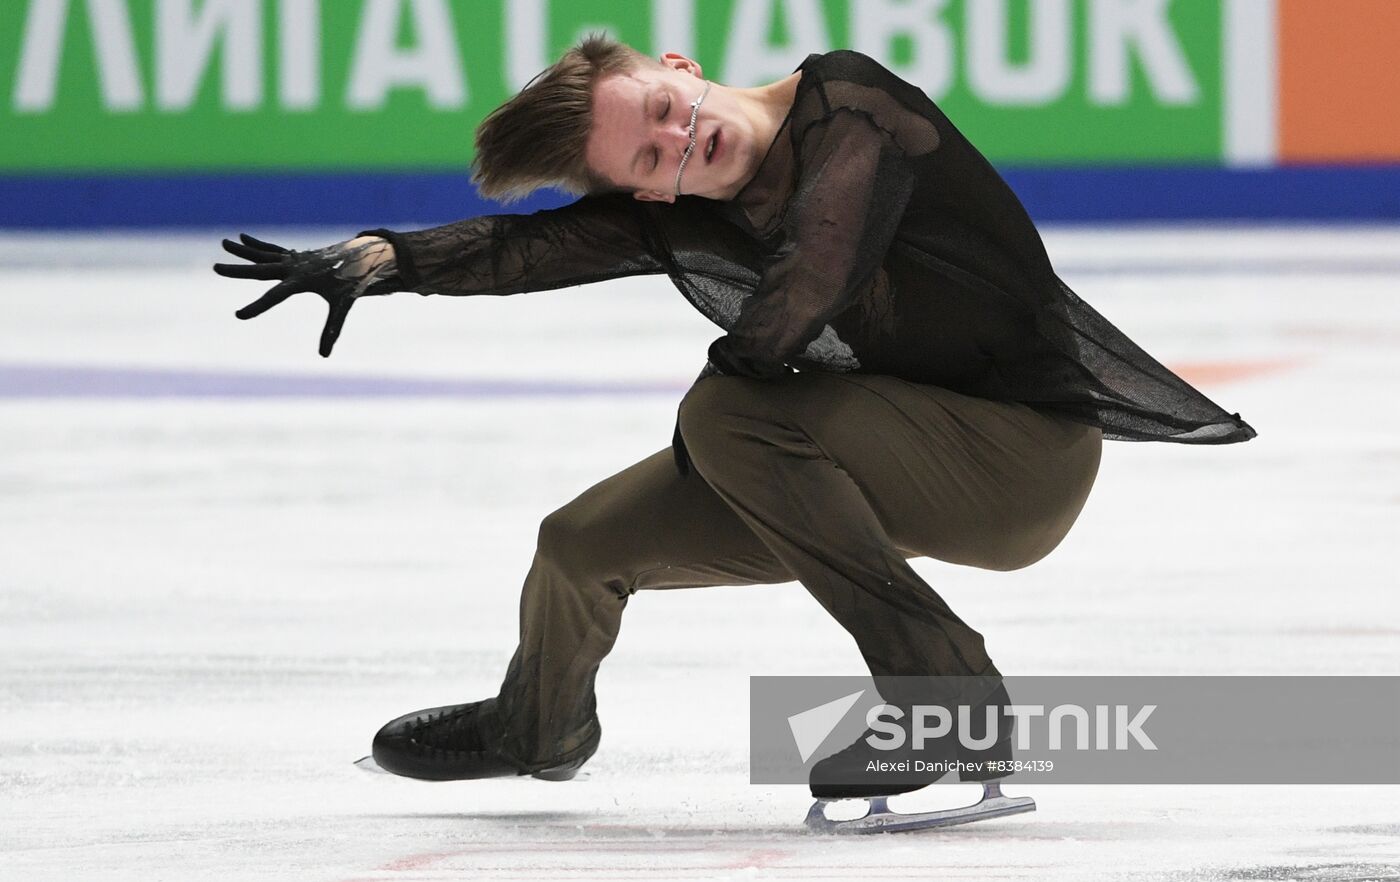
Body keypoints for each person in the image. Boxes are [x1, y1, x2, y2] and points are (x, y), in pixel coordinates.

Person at [213, 35, 1255, 809]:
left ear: (680, 62)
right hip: (886, 447)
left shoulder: (847, 104)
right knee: (578, 545)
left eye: (666, 107)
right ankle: (538, 722)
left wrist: (706, 451)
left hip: (1019, 458)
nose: (681, 140)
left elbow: (808, 279)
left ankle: (944, 698)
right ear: (644, 195)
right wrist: (387, 257)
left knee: (728, 412)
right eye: (650, 161)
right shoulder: (681, 201)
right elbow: (524, 249)